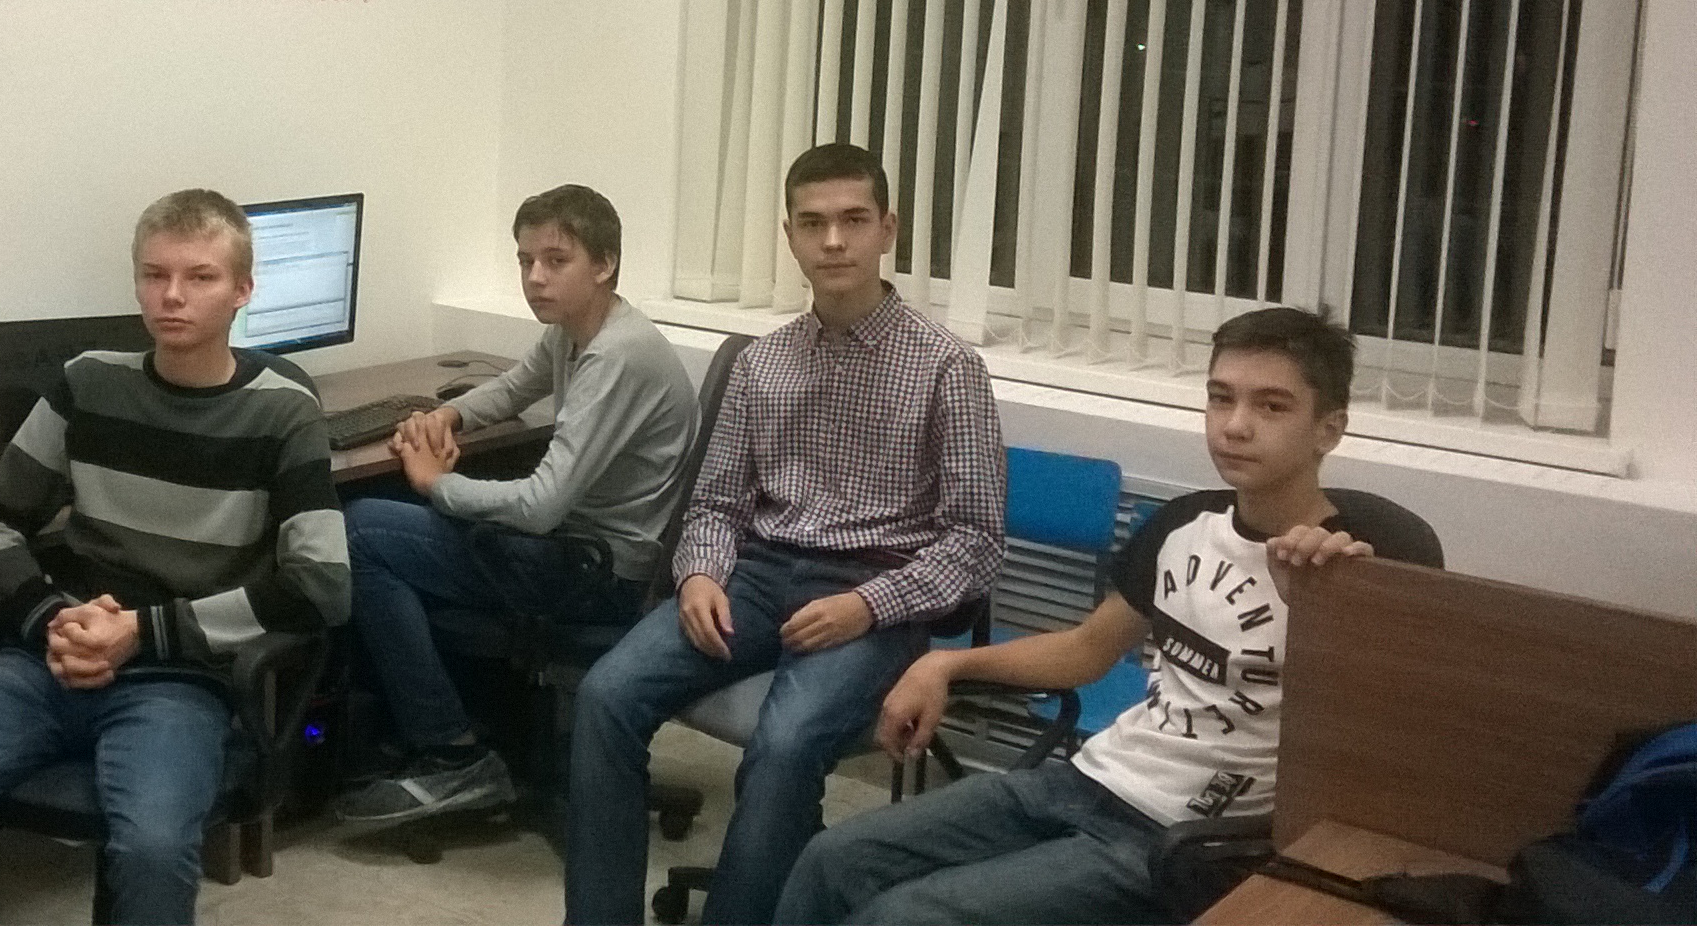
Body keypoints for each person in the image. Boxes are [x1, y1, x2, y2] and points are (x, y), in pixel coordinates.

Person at [773, 306, 1447, 926]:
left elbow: (1393, 749)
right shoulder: (1183, 523)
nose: (1235, 425)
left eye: (1271, 405)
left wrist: (1330, 611)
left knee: (907, 917)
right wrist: (945, 663)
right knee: (834, 858)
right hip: (1091, 778)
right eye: (1221, 398)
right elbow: (1086, 651)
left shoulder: (1358, 563)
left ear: (1329, 428)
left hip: (1189, 837)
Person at [0, 189, 349, 925]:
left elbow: (322, 587)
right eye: (154, 274)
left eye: (200, 277)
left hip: (180, 680)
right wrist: (50, 615)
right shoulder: (87, 383)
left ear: (243, 290)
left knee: (152, 850)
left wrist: (140, 633)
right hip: (51, 658)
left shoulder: (284, 411)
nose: (172, 296)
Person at [565, 143, 1007, 926]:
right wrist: (700, 574)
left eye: (853, 220)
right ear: (790, 235)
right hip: (758, 576)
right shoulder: (762, 364)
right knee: (607, 694)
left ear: (887, 230)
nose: (832, 241)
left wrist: (869, 605)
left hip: (876, 594)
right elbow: (716, 505)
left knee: (788, 740)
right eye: (812, 223)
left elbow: (974, 541)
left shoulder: (947, 368)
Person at [336, 185, 700, 827]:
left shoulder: (616, 355)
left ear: (605, 263)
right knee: (385, 512)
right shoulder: (578, 330)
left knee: (361, 529)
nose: (535, 278)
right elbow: (511, 389)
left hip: (597, 573)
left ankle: (453, 752)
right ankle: (467, 728)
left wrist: (435, 483)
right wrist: (444, 416)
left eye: (555, 261)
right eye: (525, 261)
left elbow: (537, 507)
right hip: (581, 553)